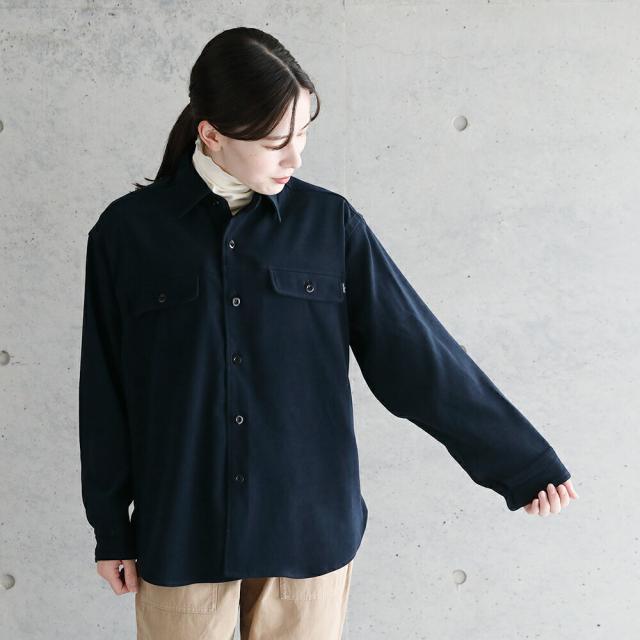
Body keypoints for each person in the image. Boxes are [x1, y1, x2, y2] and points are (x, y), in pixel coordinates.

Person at [78, 26, 578, 640]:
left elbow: (418, 357)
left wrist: (522, 463)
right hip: (182, 531)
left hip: (307, 530)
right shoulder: (127, 235)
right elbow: (104, 396)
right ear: (211, 134)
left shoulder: (330, 226)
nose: (294, 158)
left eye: (303, 135)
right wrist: (111, 528)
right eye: (275, 142)